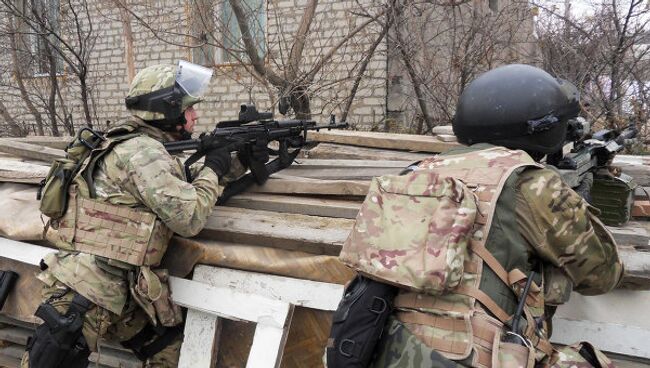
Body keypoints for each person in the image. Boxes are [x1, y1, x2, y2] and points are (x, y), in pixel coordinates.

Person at [338, 64, 623, 368]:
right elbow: (601, 275)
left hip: (389, 351)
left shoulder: (416, 174)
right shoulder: (532, 184)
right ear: (545, 129)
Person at [23, 61, 267, 367]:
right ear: (168, 111)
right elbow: (188, 216)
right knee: (50, 360)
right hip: (89, 290)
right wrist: (213, 168)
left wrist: (236, 163)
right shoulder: (143, 152)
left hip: (126, 288)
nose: (195, 116)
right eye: (189, 109)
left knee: (169, 352)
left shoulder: (139, 146)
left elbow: (179, 187)